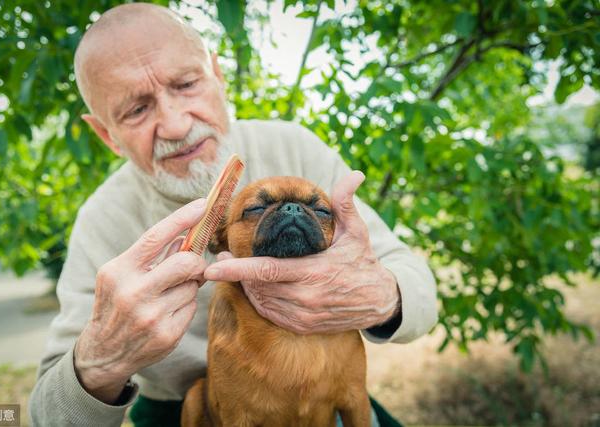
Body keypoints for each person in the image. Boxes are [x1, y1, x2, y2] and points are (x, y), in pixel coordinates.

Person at [29, 3, 437, 426]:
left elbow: (416, 284)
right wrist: (101, 360)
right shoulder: (102, 220)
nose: (174, 124)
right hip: (185, 407)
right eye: (136, 110)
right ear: (105, 134)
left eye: (186, 84)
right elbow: (48, 414)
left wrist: (381, 296)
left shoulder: (294, 148)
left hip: (322, 395)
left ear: (217, 77)